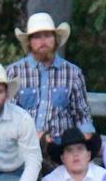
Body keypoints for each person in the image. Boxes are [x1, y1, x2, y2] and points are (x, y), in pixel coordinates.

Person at [5, 12, 94, 145]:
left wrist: (86, 142)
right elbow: (7, 114)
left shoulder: (73, 73)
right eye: (37, 37)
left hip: (61, 146)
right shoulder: (14, 72)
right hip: (23, 145)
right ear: (29, 42)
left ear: (55, 39)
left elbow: (82, 114)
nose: (43, 42)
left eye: (47, 36)